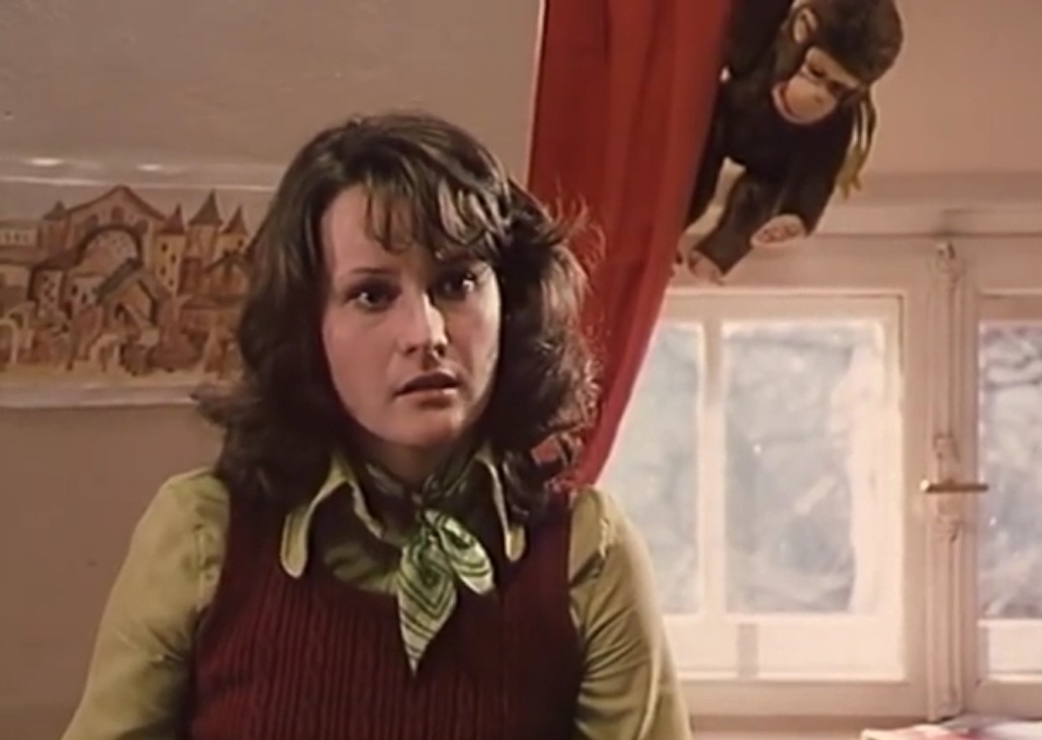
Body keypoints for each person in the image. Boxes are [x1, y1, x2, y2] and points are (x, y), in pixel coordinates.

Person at [61, 111, 693, 740]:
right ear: (308, 325)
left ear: (511, 301)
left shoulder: (586, 555)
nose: (426, 334)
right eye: (372, 295)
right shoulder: (204, 537)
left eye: (457, 283)